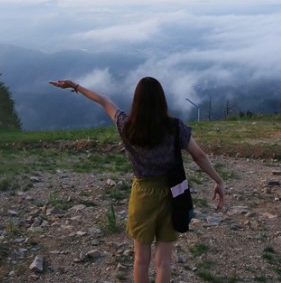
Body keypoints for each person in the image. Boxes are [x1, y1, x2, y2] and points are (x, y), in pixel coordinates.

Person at [49, 76, 225, 283]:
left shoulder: (126, 126)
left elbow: (104, 101)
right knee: (164, 262)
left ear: (136, 101)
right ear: (162, 100)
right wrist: (218, 181)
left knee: (141, 260)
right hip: (172, 195)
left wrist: (74, 86)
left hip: (142, 196)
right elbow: (199, 155)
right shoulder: (175, 127)